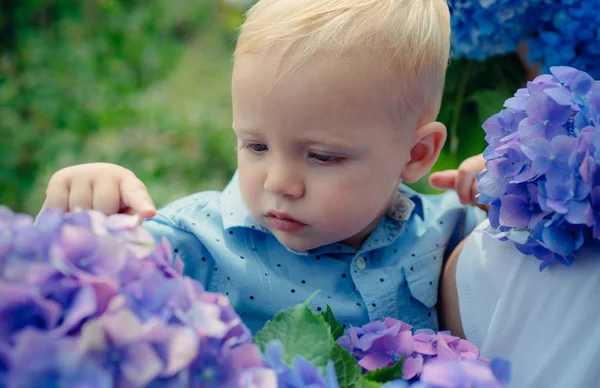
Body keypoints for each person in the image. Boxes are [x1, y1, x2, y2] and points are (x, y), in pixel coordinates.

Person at [41, 0, 485, 333]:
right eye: (255, 145)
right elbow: (57, 301)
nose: (279, 183)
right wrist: (80, 219)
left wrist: (507, 189)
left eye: (322, 156)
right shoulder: (194, 244)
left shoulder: (446, 230)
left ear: (417, 154)